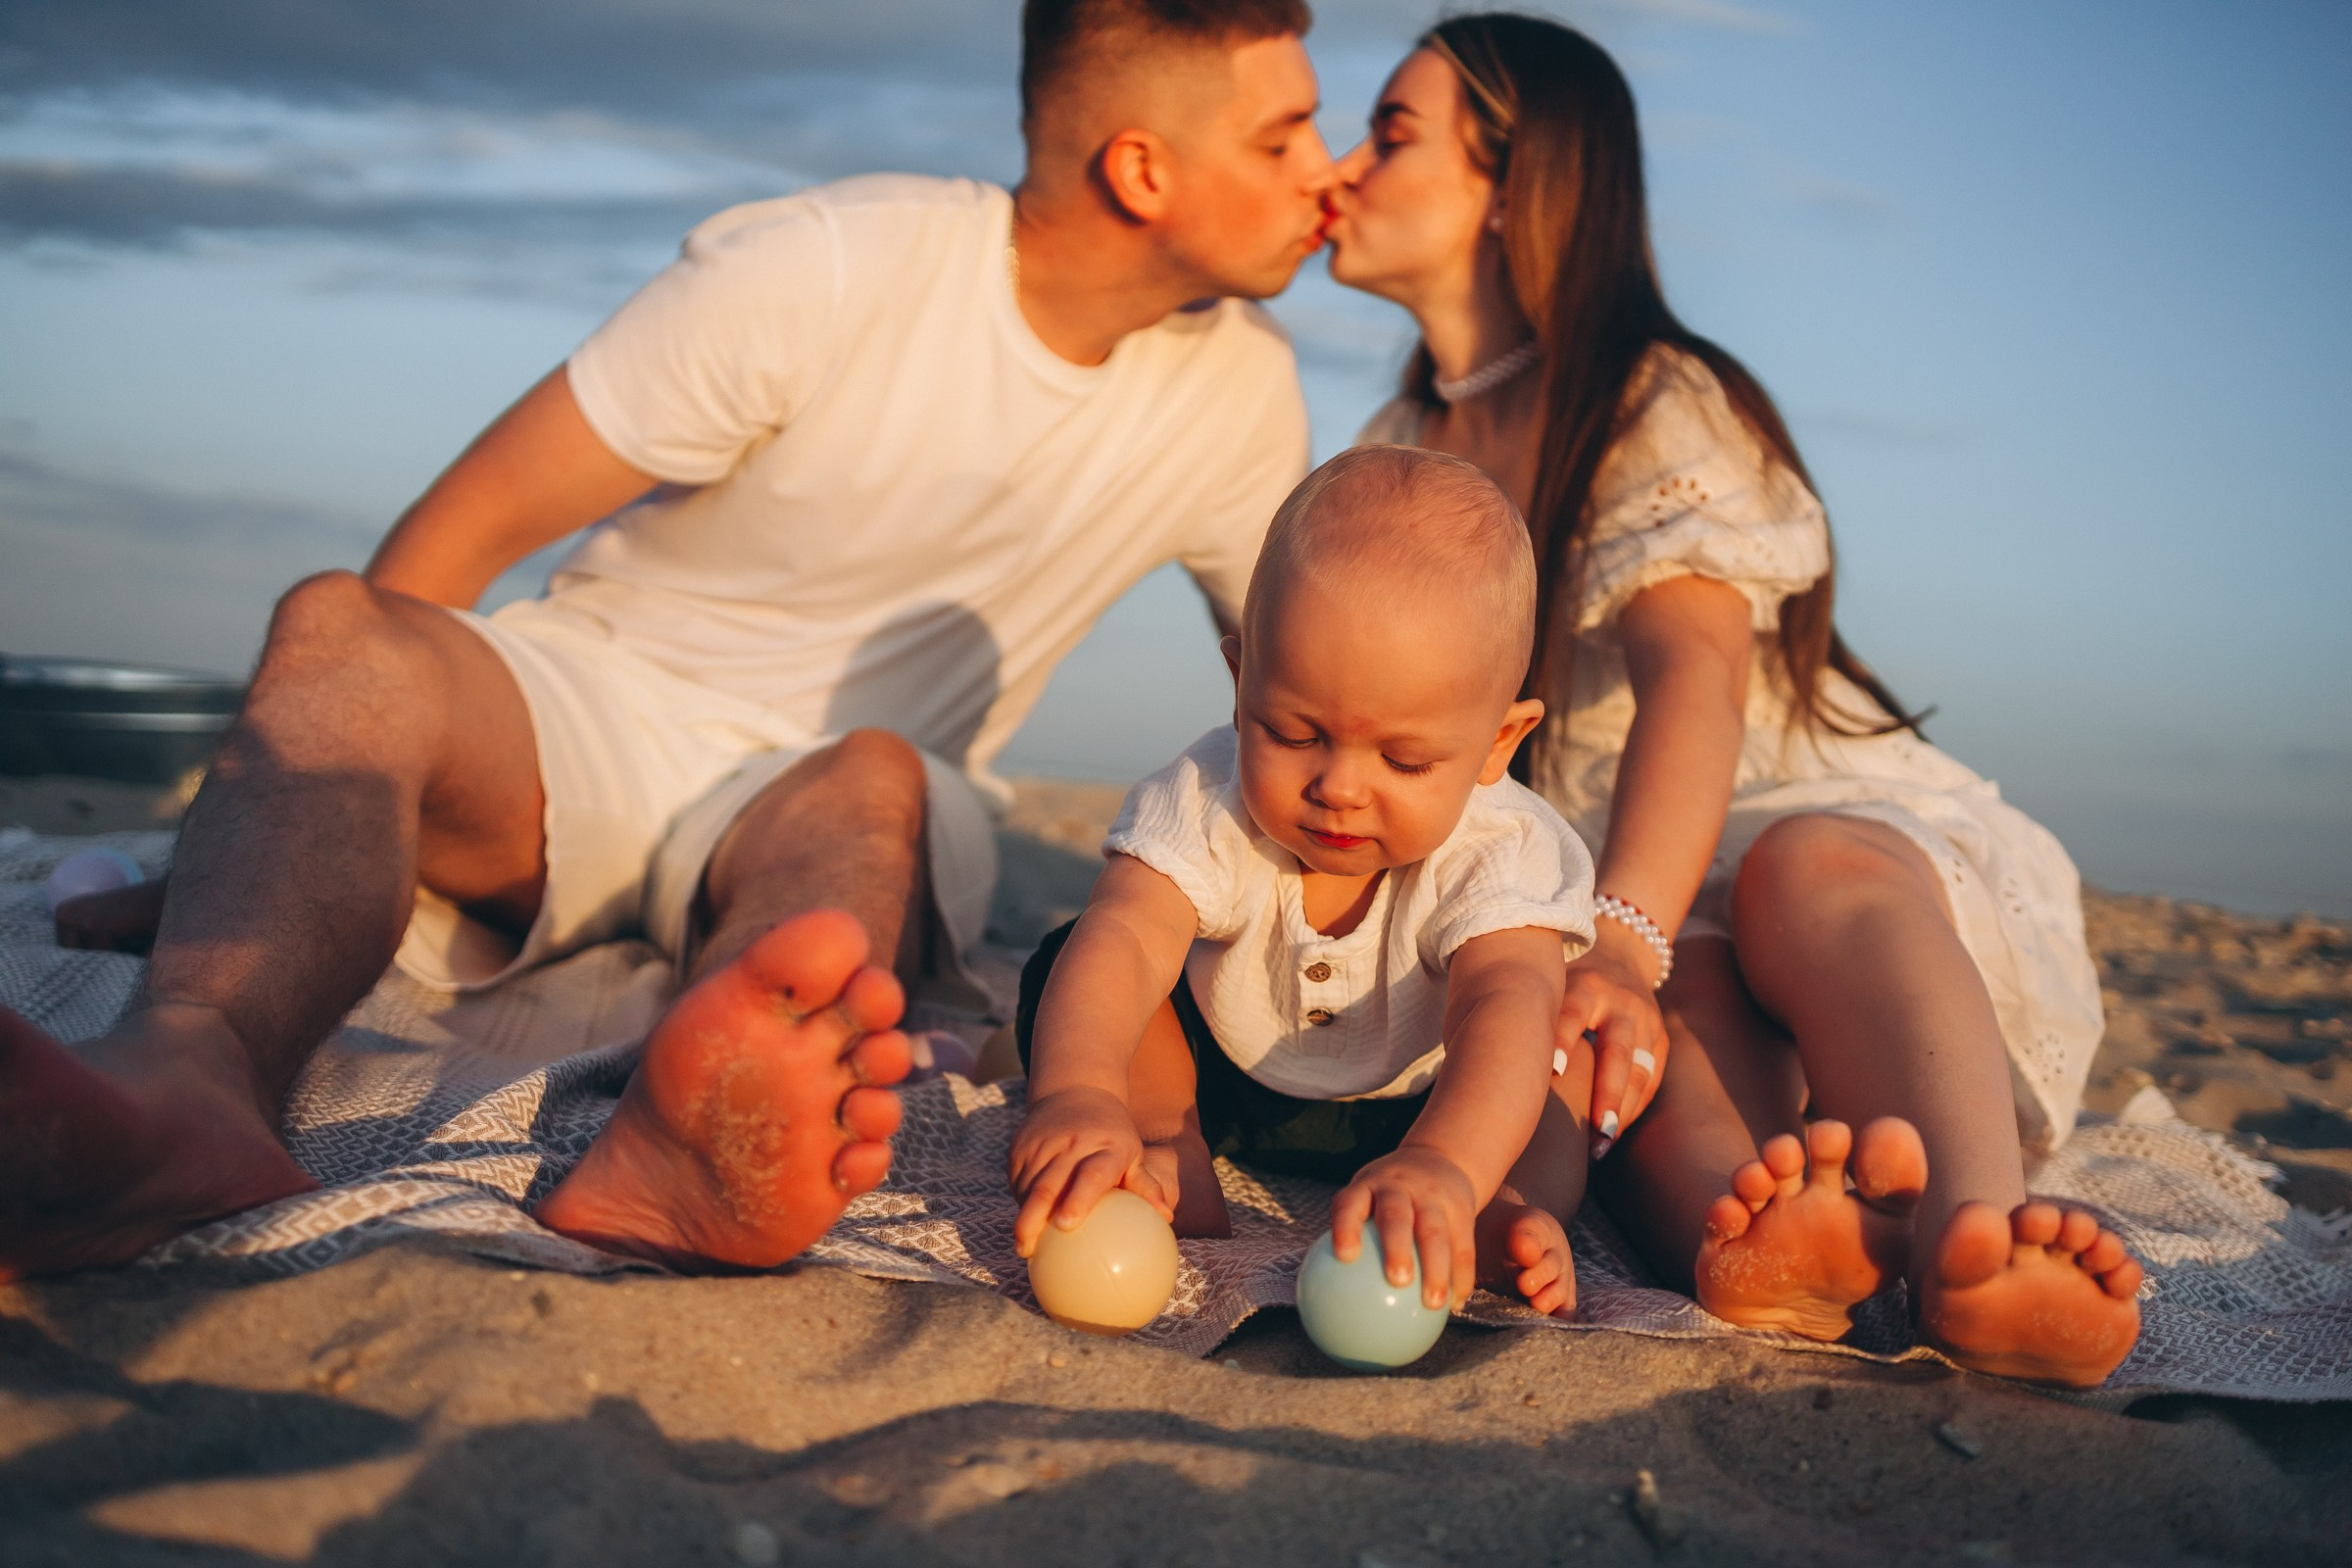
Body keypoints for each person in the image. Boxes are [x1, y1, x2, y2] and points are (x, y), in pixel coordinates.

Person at [0, 0, 1333, 1281]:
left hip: (843, 801)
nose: (1321, 177)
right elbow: (466, 532)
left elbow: (1301, 697)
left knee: (869, 772)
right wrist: (260, 819)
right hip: (590, 713)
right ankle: (187, 1083)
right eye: (1282, 140)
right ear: (1142, 168)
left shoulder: (1240, 392)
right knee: (336, 625)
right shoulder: (830, 264)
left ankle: (686, 1147)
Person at [1319, 13, 2142, 1387]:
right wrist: (1616, 956)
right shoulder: (1400, 454)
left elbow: (1694, 678)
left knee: (1785, 875)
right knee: (1633, 1019)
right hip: (1630, 887)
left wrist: (1620, 942)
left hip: (1793, 832)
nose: (1346, 165)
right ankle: (1759, 1242)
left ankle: (1973, 1242)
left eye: (1391, 131)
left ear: (1519, 187)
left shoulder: (1649, 396)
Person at [1009, 446, 1598, 1317]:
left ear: (1498, 744)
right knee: (1085, 954)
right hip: (1225, 1077)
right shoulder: (1208, 796)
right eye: (1291, 733)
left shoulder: (1502, 848)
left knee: (1551, 1053)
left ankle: (1492, 1208)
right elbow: (1131, 939)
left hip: (1425, 1100)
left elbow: (1498, 1003)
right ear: (1242, 682)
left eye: (1403, 758)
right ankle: (1162, 1139)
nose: (1340, 788)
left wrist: (1447, 1163)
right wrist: (1077, 1091)